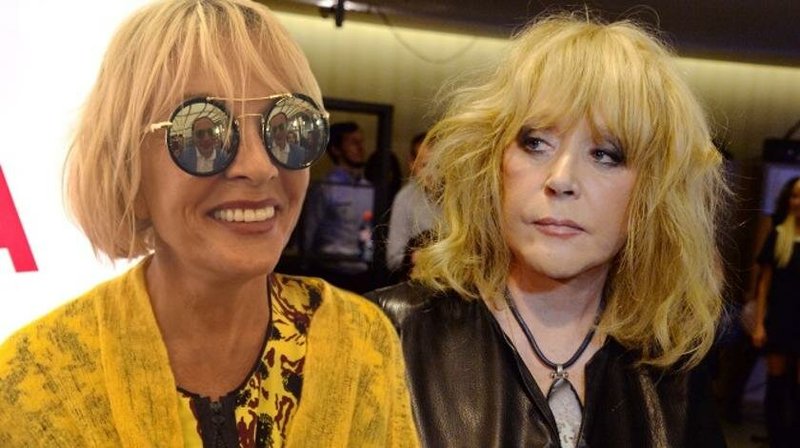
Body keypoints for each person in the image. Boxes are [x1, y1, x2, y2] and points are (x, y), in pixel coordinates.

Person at [0, 1, 418, 446]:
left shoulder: (363, 343)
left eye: (287, 127)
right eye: (202, 133)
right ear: (128, 168)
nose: (259, 167)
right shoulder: (34, 380)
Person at [368, 12, 727, 447]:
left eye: (606, 154)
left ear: (652, 192)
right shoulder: (386, 334)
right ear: (493, 163)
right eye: (536, 143)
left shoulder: (673, 366)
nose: (561, 179)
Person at [752, 176, 800, 448]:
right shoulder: (779, 235)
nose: (797, 202)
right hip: (780, 320)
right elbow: (764, 285)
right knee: (776, 384)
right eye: (794, 196)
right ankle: (777, 439)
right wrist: (759, 323)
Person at [302, 121, 375, 292]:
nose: (360, 148)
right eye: (353, 143)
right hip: (330, 272)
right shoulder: (325, 187)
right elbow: (309, 229)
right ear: (336, 149)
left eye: (361, 142)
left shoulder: (369, 188)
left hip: (362, 271)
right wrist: (304, 264)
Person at [386, 131, 440, 277]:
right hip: (417, 279)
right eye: (425, 165)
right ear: (412, 164)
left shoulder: (459, 198)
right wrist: (420, 258)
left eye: (438, 166)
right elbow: (393, 259)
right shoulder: (404, 199)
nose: (432, 173)